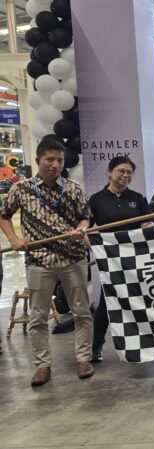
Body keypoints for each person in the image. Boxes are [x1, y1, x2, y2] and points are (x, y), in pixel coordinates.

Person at [0, 137, 94, 386]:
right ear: (38, 160)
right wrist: (13, 238)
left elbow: (85, 217)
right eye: (49, 159)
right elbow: (4, 216)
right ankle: (42, 365)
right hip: (38, 260)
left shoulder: (73, 188)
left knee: (81, 311)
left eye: (59, 160)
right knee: (38, 316)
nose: (55, 165)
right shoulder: (22, 189)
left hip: (73, 257)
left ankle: (84, 359)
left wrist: (81, 228)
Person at [87, 156, 154, 363]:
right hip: (111, 260)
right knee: (107, 303)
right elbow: (86, 229)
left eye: (129, 173)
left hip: (135, 257)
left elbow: (145, 223)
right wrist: (94, 247)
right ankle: (96, 345)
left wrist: (150, 227)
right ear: (109, 173)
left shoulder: (137, 198)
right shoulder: (96, 200)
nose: (125, 175)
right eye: (121, 171)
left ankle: (143, 344)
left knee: (139, 299)